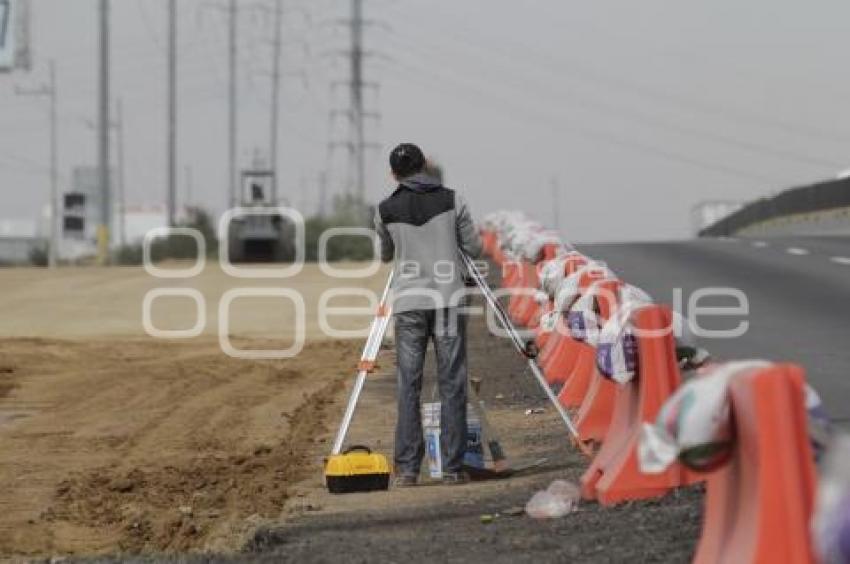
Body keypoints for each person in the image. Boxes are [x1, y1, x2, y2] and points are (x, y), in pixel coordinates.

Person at [374, 143, 482, 487]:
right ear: (425, 166)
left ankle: (407, 470)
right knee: (452, 381)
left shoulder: (385, 209)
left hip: (409, 305)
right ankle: (451, 468)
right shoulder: (453, 200)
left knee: (409, 383)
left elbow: (385, 254)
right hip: (448, 300)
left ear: (394, 174)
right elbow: (475, 248)